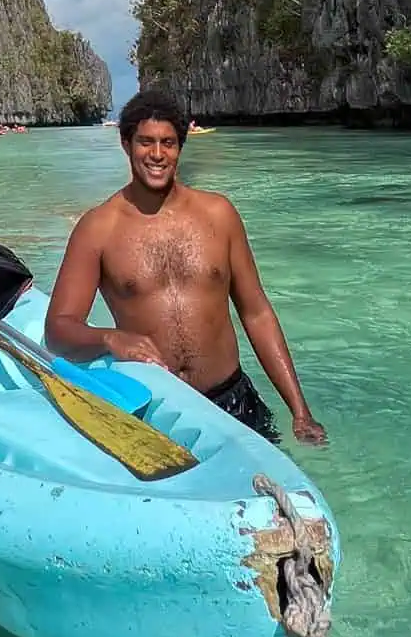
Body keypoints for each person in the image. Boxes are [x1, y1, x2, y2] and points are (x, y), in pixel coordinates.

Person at [44, 90, 326, 445]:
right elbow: (58, 330)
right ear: (126, 144)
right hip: (158, 410)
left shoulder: (219, 215)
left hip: (233, 401)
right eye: (145, 142)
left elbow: (257, 314)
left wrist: (300, 411)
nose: (157, 154)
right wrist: (109, 338)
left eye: (168, 143)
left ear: (180, 147)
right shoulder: (97, 229)